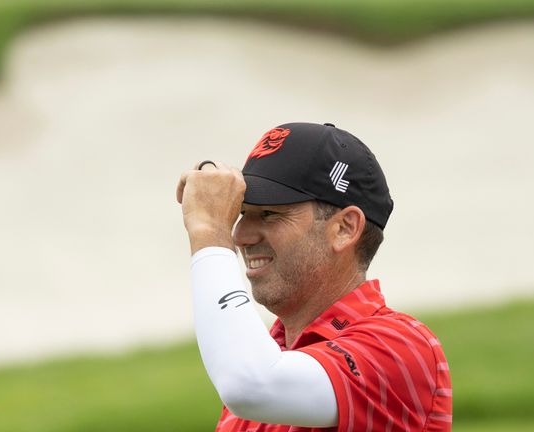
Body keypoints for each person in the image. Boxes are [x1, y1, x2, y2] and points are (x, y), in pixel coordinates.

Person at [176, 122, 452, 431]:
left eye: (269, 214)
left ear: (344, 228)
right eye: (242, 214)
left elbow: (251, 384)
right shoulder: (268, 354)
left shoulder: (400, 347)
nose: (240, 235)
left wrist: (210, 233)